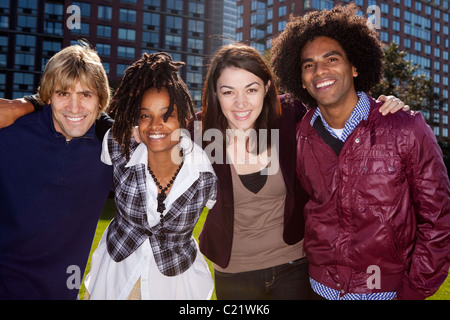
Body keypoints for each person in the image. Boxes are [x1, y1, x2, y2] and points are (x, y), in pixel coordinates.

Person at [194, 43, 407, 300]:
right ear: (216, 94)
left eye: (251, 89)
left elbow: (340, 113)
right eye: (228, 92)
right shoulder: (200, 133)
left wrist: (382, 107)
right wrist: (139, 134)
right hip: (233, 272)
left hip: (293, 265)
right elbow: (155, 142)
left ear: (267, 88)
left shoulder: (290, 115)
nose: (241, 103)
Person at [270, 4, 450, 300]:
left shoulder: (406, 128)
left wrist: (413, 292)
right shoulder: (301, 134)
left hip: (385, 292)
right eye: (308, 64)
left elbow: (438, 221)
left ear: (354, 66)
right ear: (301, 79)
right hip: (318, 289)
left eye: (332, 59)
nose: (320, 71)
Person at [83, 52, 217, 300]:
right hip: (116, 275)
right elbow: (82, 116)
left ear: (183, 119)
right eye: (146, 115)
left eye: (167, 115)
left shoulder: (205, 172)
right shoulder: (117, 144)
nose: (155, 125)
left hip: (174, 285)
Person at [0, 43, 113, 299]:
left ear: (100, 100)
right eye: (63, 94)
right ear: (49, 96)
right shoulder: (9, 132)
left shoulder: (111, 150)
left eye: (86, 94)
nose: (74, 107)